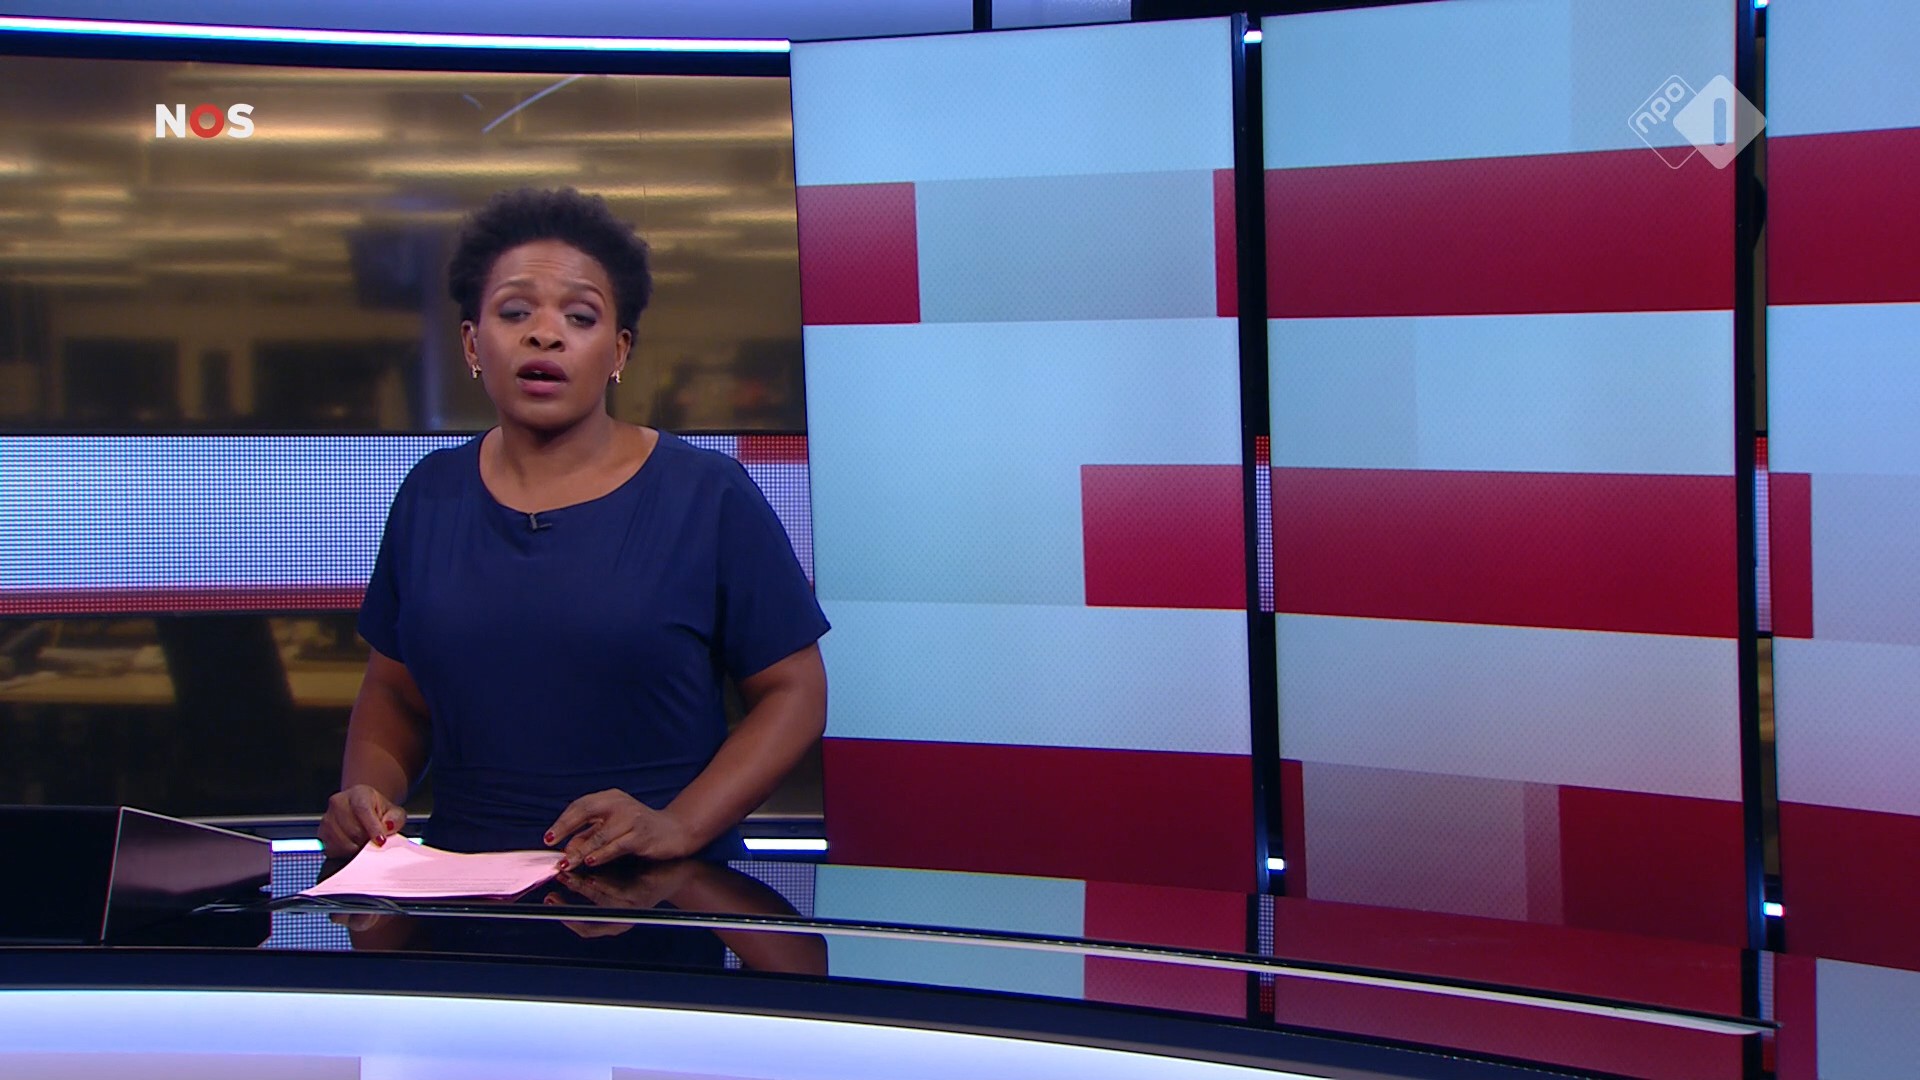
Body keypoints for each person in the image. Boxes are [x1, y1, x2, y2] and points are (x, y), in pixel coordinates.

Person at [318, 188, 829, 869]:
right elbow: (394, 693)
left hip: (658, 892)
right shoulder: (430, 493)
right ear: (472, 343)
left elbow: (795, 692)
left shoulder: (708, 494)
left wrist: (678, 825)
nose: (545, 334)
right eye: (514, 312)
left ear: (618, 350)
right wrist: (367, 800)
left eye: (580, 316)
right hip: (463, 894)